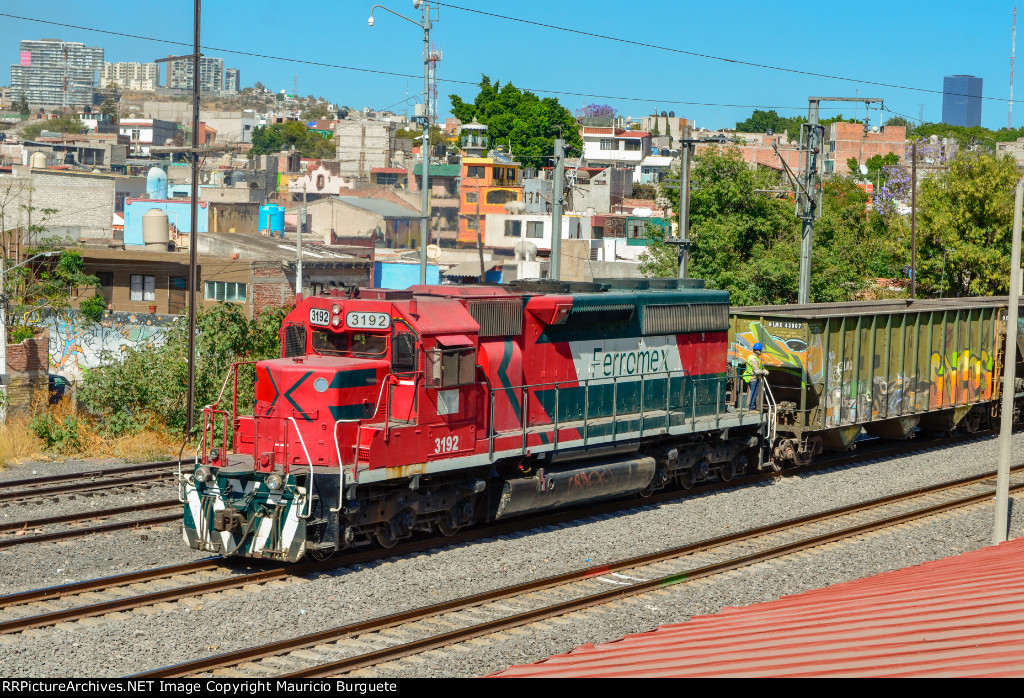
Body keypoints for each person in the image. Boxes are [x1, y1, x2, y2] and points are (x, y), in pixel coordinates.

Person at [743, 343, 768, 410]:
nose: (761, 352)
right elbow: (756, 371)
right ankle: (752, 408)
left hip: (751, 377)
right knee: (753, 393)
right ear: (757, 351)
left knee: (752, 392)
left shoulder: (752, 357)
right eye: (760, 351)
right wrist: (764, 371)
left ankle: (750, 406)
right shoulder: (754, 359)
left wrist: (762, 369)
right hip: (753, 378)